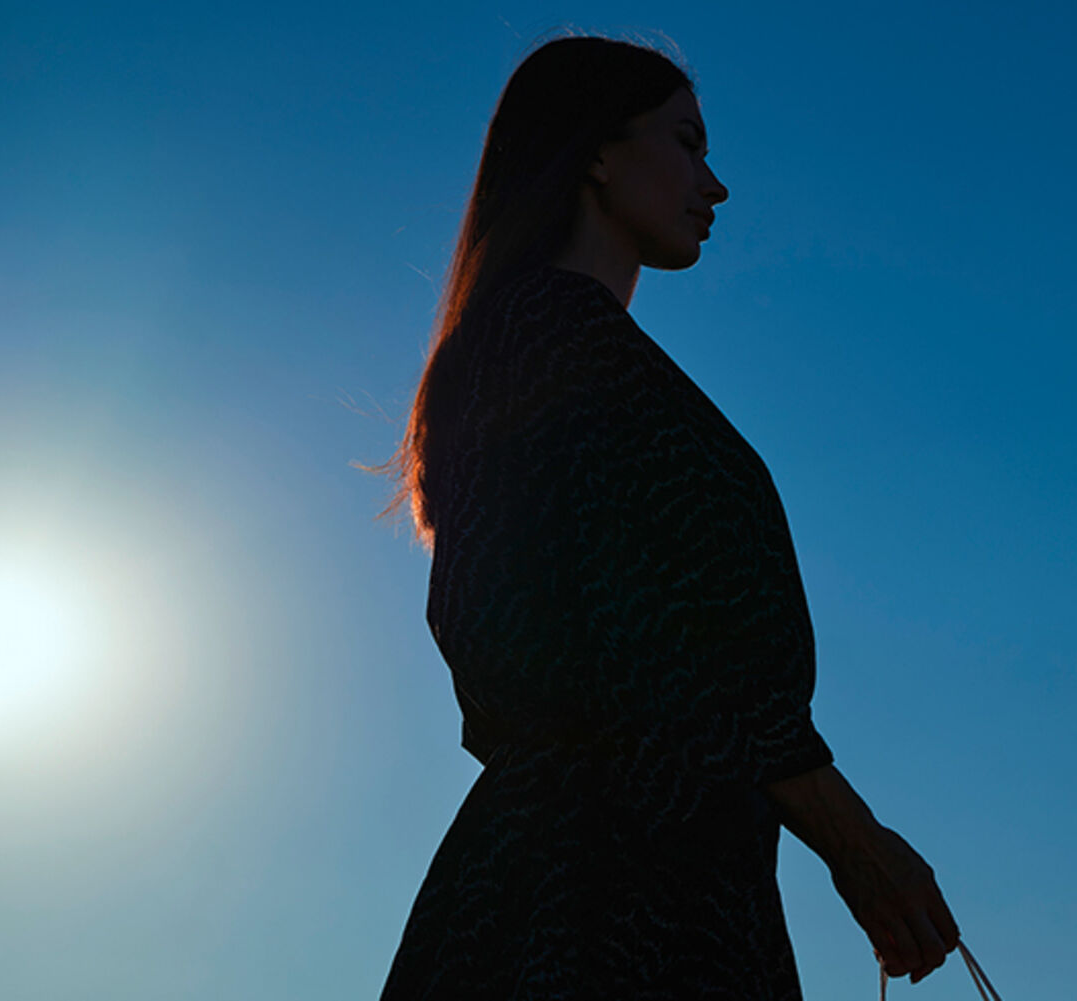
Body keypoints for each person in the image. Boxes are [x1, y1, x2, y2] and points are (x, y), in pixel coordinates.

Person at [372, 34, 961, 999]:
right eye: (687, 142)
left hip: (612, 884)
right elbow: (659, 652)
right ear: (598, 153)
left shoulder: (533, 344)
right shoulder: (554, 341)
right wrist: (859, 844)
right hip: (604, 903)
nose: (715, 183)